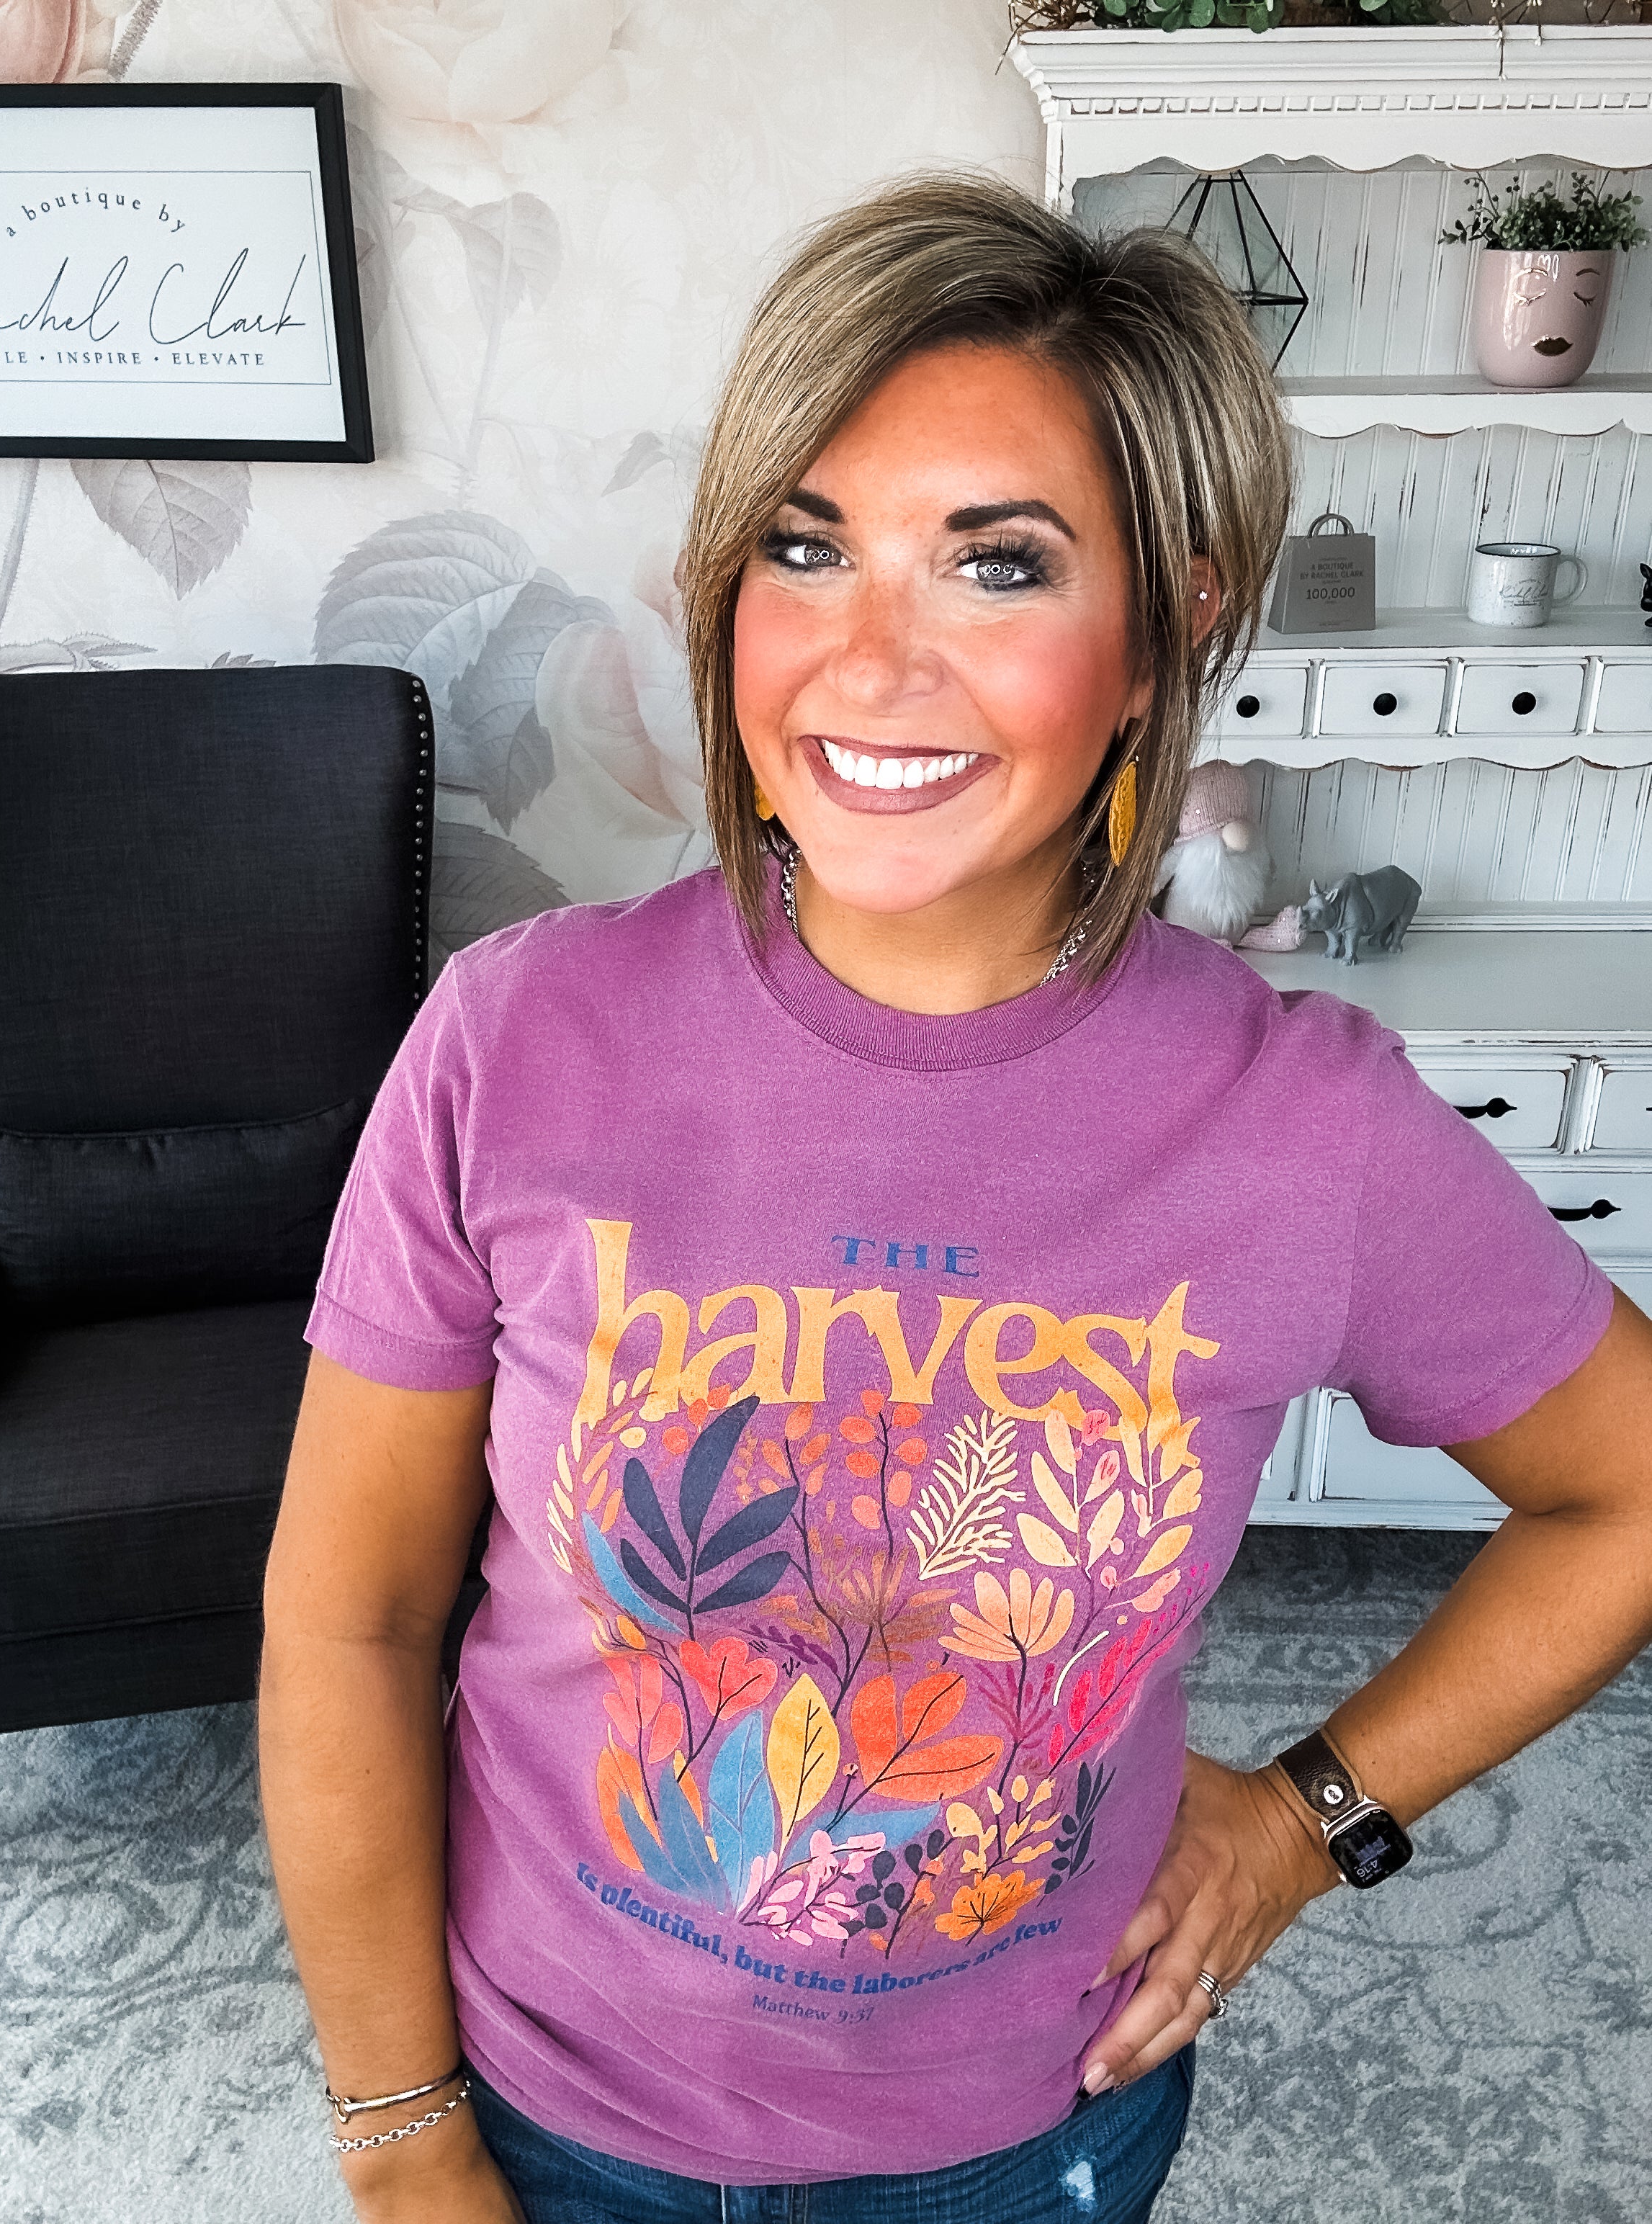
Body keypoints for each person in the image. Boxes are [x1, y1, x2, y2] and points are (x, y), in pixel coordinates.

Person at [258, 174, 1652, 2224]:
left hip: (1018, 2142)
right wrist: (394, 2133)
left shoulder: (1303, 1129)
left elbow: (1621, 1486)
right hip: (542, 2102)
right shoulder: (517, 1038)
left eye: (995, 567)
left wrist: (1301, 1822)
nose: (863, 656)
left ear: (1170, 621)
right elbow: (350, 1617)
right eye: (801, 548)